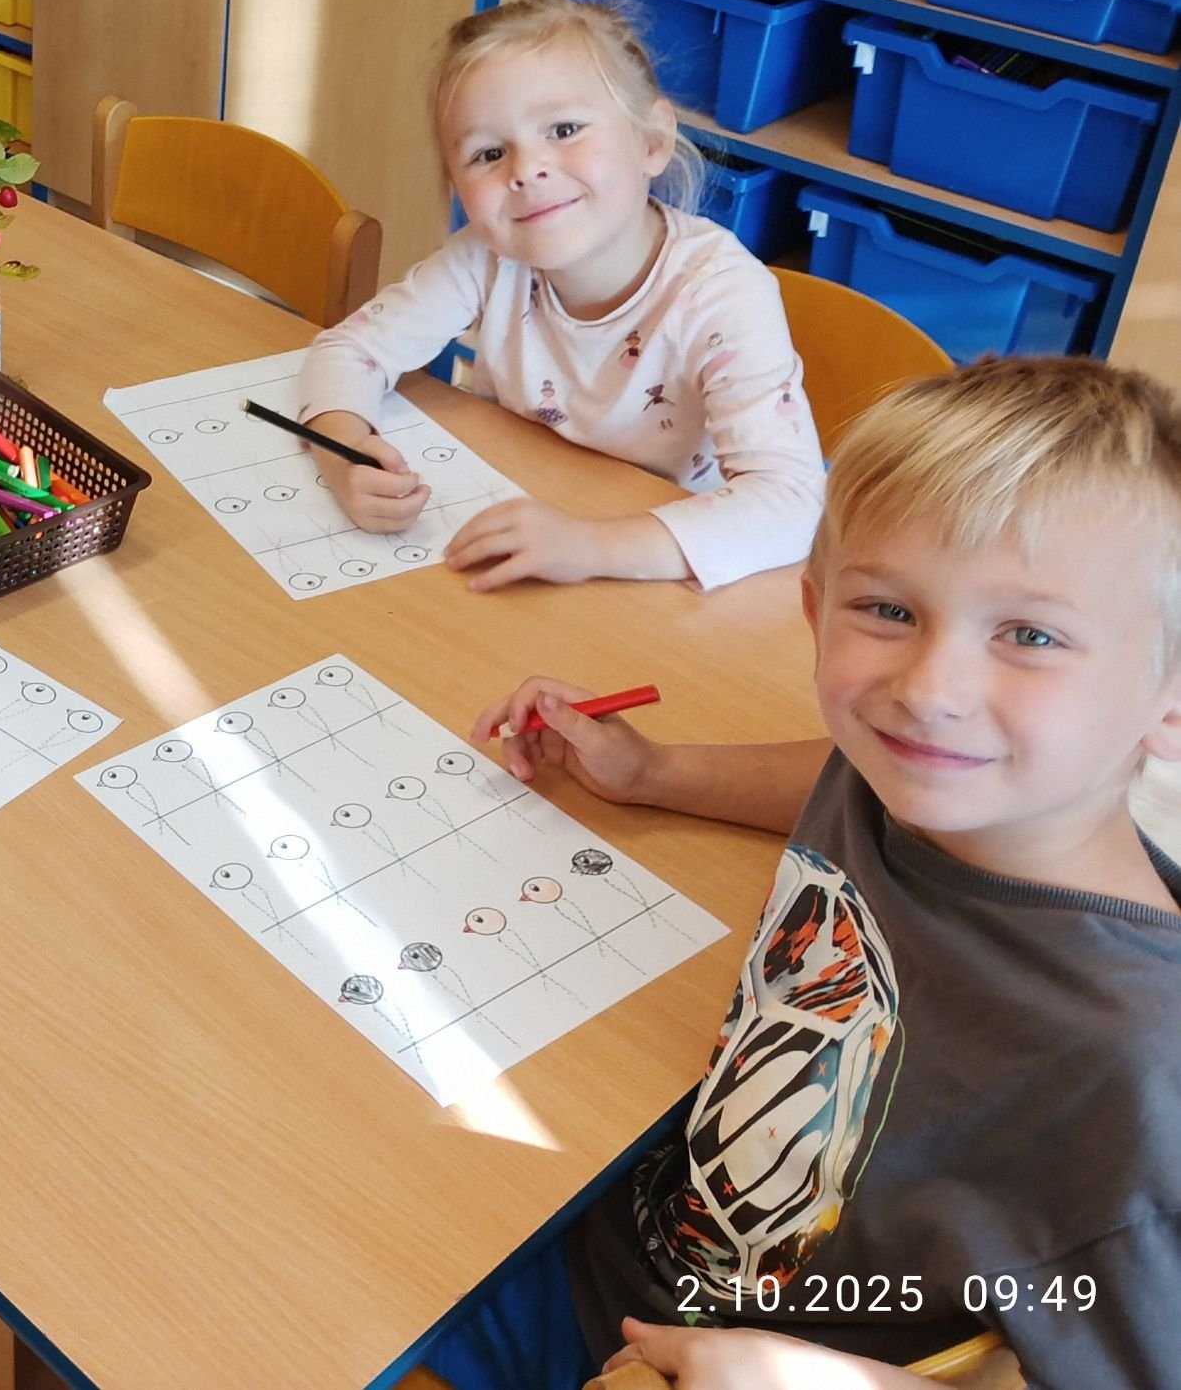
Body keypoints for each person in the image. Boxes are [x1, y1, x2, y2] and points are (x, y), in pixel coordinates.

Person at [444, 355, 1181, 1387]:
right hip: (614, 1231)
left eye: (1029, 634)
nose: (926, 690)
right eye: (888, 610)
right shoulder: (919, 774)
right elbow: (833, 770)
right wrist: (655, 773)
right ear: (814, 606)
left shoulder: (1136, 1070)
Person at [297, 0, 823, 591]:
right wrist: (342, 452)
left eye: (564, 129)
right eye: (488, 153)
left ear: (651, 142)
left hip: (663, 578)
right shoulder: (487, 256)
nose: (525, 170)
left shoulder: (722, 294)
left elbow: (790, 504)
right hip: (528, 532)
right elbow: (350, 350)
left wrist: (589, 546)